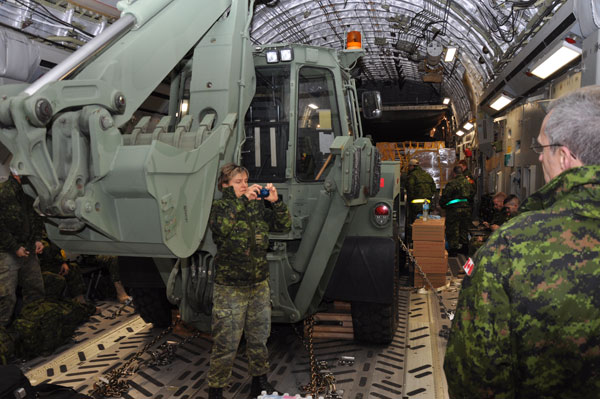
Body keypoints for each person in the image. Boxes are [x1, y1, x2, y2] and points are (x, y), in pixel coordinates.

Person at [444, 86, 600, 398]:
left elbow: (474, 376)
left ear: (565, 157)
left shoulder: (512, 248)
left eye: (543, 149)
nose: (541, 159)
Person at [207, 163, 291, 399]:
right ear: (225, 185)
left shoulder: (255, 206)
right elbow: (222, 229)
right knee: (226, 344)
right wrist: (244, 200)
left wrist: (276, 203)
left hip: (258, 285)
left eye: (245, 180)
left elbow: (284, 226)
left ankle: (260, 384)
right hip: (230, 288)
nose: (244, 185)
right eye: (237, 182)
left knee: (259, 339)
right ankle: (216, 392)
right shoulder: (220, 207)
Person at [0, 169, 45, 327]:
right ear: (17, 175)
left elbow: (36, 215)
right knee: (6, 297)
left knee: (36, 290)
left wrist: (38, 239)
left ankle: (30, 329)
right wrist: (14, 247)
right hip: (7, 251)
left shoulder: (30, 192)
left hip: (28, 250)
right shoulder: (4, 193)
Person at [440, 166, 472, 256]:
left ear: (454, 173)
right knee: (464, 228)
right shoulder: (468, 182)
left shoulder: (452, 183)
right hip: (466, 208)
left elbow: (445, 196)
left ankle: (453, 250)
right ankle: (465, 248)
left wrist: (442, 204)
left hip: (454, 209)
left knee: (453, 229)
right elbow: (472, 193)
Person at [406, 158, 437, 226]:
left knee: (414, 224)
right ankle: (424, 235)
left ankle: (415, 236)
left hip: (415, 205)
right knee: (425, 221)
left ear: (412, 166)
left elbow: (409, 189)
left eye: (409, 166)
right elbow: (434, 188)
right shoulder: (427, 175)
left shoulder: (412, 176)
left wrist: (410, 199)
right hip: (426, 203)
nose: (408, 168)